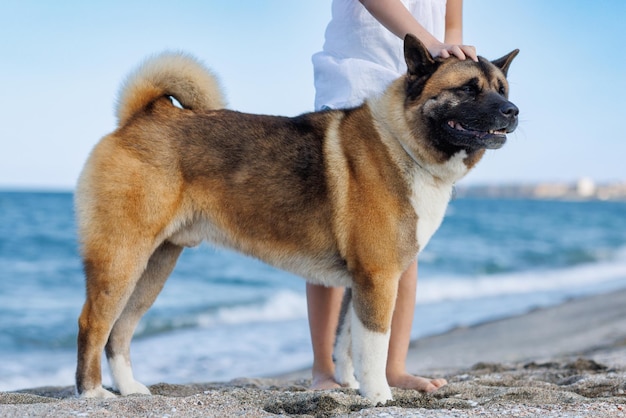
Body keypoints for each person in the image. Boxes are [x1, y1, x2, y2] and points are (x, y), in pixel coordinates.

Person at [308, 0, 478, 393]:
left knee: (406, 238)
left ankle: (392, 367)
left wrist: (453, 58)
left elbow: (453, 22)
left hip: (421, 85)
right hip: (356, 71)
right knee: (330, 234)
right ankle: (322, 370)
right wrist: (430, 42)